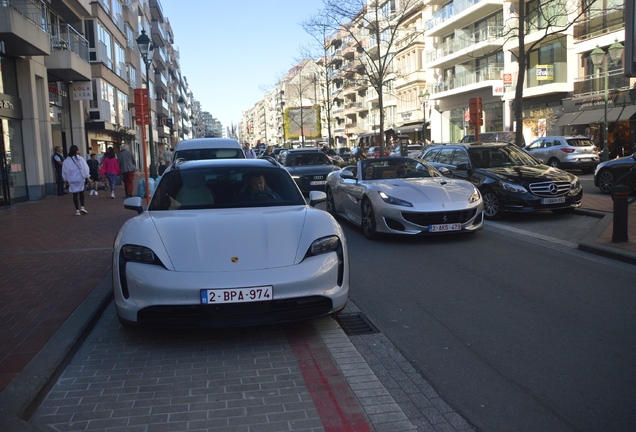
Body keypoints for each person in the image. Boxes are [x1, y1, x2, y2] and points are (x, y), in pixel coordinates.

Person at [61, 145, 90, 216]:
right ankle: (82, 207)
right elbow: (85, 168)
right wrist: (87, 176)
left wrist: (65, 179)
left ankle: (77, 210)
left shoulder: (66, 161)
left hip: (71, 179)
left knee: (75, 194)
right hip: (80, 178)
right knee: (81, 192)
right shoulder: (80, 159)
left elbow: (64, 171)